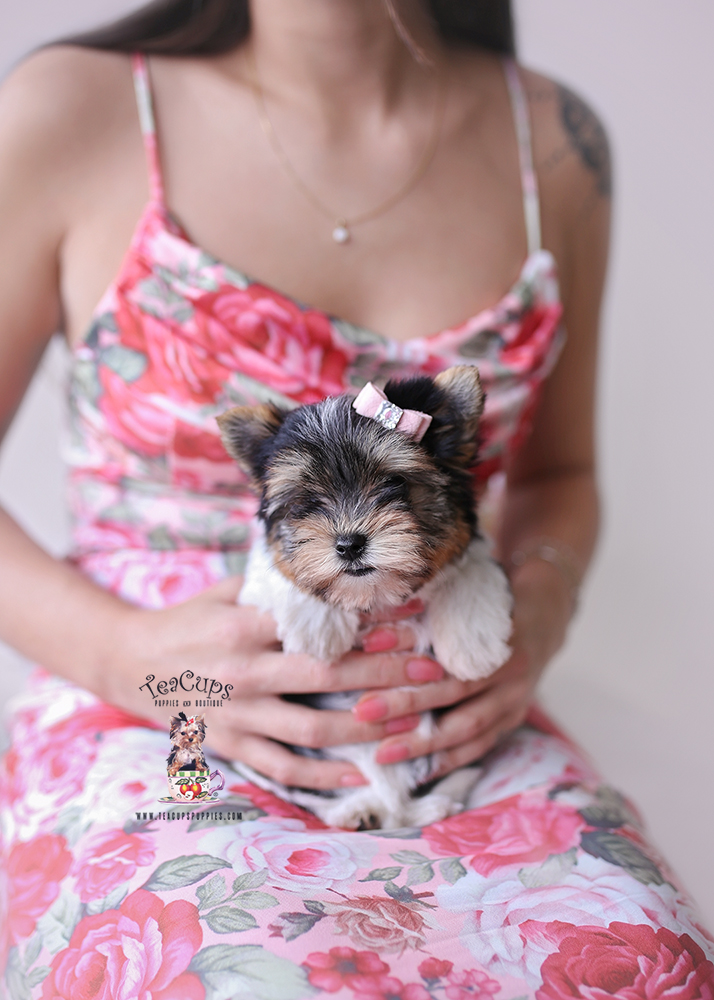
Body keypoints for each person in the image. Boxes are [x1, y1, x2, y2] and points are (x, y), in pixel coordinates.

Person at [0, 0, 712, 996]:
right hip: (157, 712)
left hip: (445, 718)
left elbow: (559, 477)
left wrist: (535, 614)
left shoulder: (554, 144)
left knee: (642, 960)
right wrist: (128, 658)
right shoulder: (69, 107)